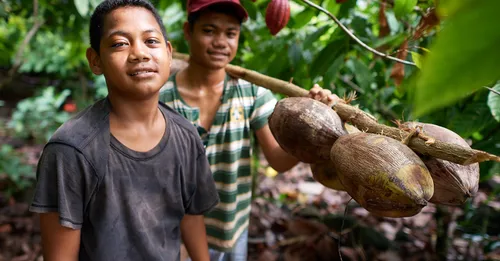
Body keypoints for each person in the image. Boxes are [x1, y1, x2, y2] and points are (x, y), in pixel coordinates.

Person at [29, 1, 219, 260]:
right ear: (95, 61)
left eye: (151, 41)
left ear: (169, 53)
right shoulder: (71, 151)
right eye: (119, 43)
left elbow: (190, 217)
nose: (139, 53)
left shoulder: (186, 136)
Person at [159, 0, 341, 259]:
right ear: (188, 32)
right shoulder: (160, 99)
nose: (221, 42)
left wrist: (314, 126)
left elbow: (278, 160)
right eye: (209, 31)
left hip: (230, 234)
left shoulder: (252, 95)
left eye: (231, 33)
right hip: (171, 236)